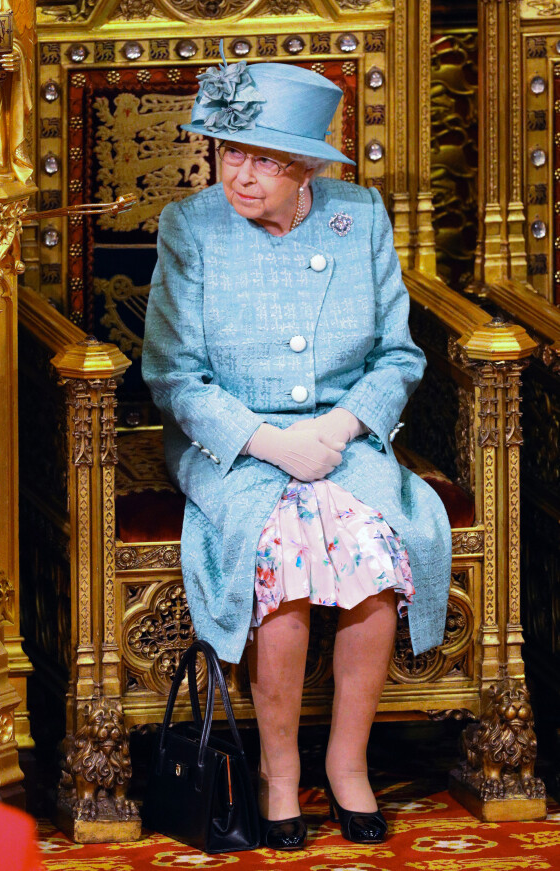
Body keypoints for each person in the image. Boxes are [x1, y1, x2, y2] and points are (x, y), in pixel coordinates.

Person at [142, 46, 452, 850]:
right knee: (277, 554)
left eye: (267, 162)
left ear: (309, 168)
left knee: (374, 551)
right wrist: (274, 441)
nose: (241, 176)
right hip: (235, 444)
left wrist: (341, 429)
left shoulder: (361, 217)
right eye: (231, 152)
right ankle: (281, 772)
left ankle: (349, 762)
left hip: (341, 436)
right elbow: (174, 375)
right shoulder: (191, 225)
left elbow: (399, 355)